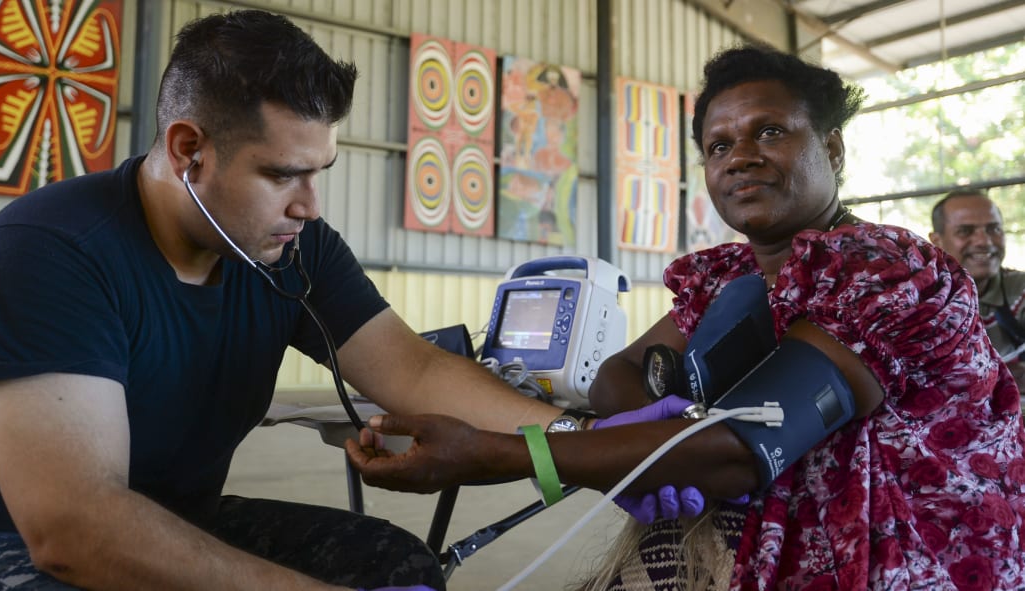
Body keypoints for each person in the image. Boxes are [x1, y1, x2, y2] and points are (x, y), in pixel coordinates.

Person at [346, 44, 1025, 590]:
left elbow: (740, 451)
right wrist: (658, 424)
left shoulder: (885, 269)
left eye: (770, 131)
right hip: (776, 528)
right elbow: (621, 371)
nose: (742, 156)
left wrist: (494, 451)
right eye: (719, 146)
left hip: (903, 550)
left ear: (835, 151)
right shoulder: (728, 273)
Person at [0, 9, 588, 590]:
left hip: (180, 516)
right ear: (190, 150)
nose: (308, 206)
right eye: (280, 175)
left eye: (319, 171)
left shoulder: (293, 248)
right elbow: (74, 527)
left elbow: (416, 369)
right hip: (13, 540)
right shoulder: (50, 253)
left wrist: (585, 444)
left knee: (396, 566)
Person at [930, 189, 1025, 403]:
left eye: (994, 229)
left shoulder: (1019, 290)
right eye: (965, 231)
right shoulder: (919, 301)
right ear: (937, 240)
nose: (984, 241)